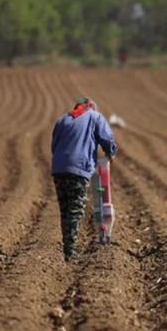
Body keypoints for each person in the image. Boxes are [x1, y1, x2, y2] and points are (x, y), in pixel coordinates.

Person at [51, 97, 118, 261]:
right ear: (91, 107)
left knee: (65, 209)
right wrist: (111, 153)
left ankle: (68, 247)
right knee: (75, 209)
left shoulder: (62, 120)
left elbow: (54, 145)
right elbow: (107, 138)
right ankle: (70, 251)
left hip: (59, 169)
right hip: (78, 168)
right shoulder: (95, 117)